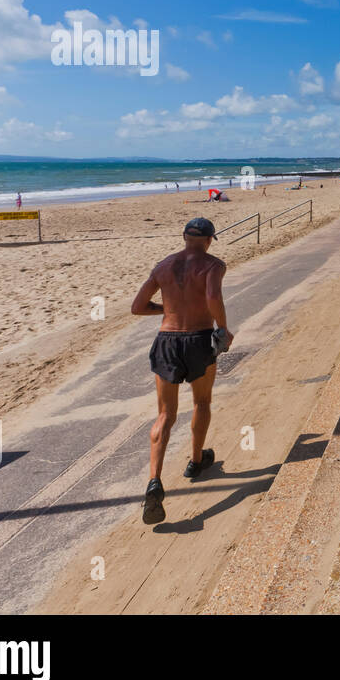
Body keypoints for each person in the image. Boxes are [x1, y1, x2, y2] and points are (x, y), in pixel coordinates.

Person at [130, 217, 234, 525]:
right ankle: (196, 461)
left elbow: (137, 306)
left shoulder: (163, 265)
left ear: (184, 237)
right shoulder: (214, 265)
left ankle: (154, 481)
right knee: (202, 403)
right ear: (210, 240)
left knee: (165, 414)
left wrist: (170, 308)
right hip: (199, 339)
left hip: (167, 340)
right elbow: (213, 297)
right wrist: (223, 328)